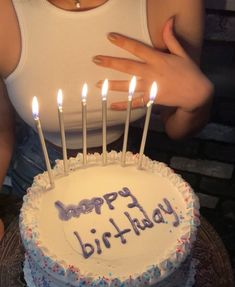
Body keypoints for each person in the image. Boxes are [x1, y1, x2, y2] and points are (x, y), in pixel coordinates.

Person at [0, 0, 213, 240]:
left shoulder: (173, 4)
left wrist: (197, 101)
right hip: (37, 174)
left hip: (125, 175)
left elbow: (177, 129)